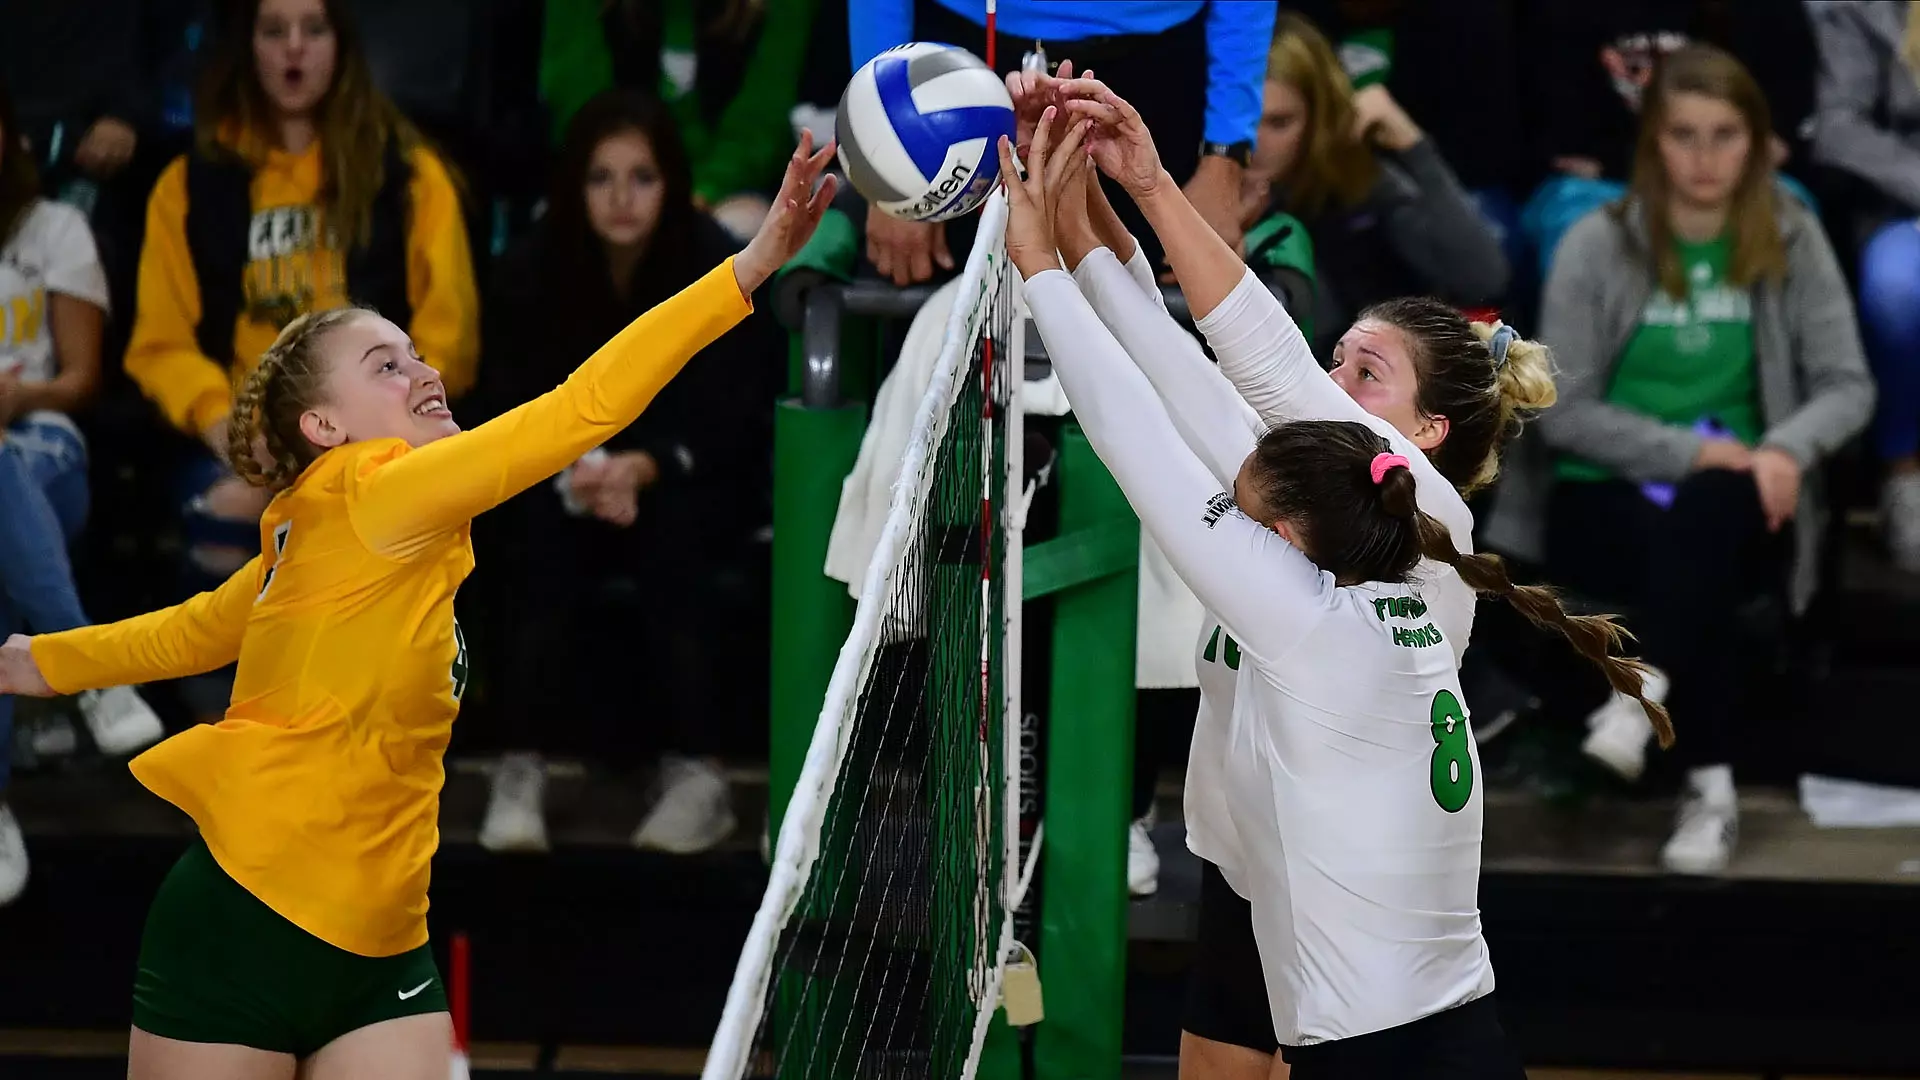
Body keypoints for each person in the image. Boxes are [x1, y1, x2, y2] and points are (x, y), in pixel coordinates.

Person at [0, 136, 835, 1080]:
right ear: (327, 429)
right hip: (245, 922)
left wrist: (40, 660)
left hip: (383, 939)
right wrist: (753, 265)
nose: (425, 372)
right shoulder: (376, 490)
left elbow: (199, 628)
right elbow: (580, 410)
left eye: (417, 352)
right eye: (385, 367)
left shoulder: (314, 539)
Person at [999, 105, 1664, 1080]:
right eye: (1334, 361)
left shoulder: (1401, 544)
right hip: (1295, 903)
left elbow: (1162, 418)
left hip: (1363, 1014)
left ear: (1426, 435)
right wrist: (1078, 217)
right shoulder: (1351, 542)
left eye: (1367, 375)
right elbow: (1185, 381)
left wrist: (1066, 253)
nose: (1325, 383)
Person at [1488, 45, 1874, 875]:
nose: (1705, 157)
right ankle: (1712, 790)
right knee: (1701, 531)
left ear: (1760, 142)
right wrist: (1699, 452)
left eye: (1726, 134)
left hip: (1736, 496)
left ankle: (1641, 694)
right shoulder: (1596, 242)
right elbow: (1563, 411)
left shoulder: (1791, 235)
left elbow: (1847, 385)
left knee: (1709, 518)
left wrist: (1780, 449)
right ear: (1652, 143)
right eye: (1684, 135)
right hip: (1604, 493)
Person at [124, 0, 479, 724]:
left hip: (376, 444)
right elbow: (160, 342)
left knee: (334, 518)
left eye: (312, 29)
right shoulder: (191, 182)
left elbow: (452, 337)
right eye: (273, 29)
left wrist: (362, 439)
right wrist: (226, 426)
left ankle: (334, 742)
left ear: (341, 44)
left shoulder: (407, 173)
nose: (293, 49)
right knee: (233, 508)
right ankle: (233, 749)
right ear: (245, 45)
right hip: (245, 437)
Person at [469, 89, 782, 854]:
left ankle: (698, 774)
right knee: (532, 537)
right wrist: (572, 469)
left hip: (683, 473)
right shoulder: (531, 268)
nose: (621, 199)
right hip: (559, 473)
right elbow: (506, 396)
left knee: (679, 533)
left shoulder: (714, 258)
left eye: (641, 177)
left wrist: (646, 466)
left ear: (670, 181)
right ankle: (521, 766)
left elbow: (739, 408)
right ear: (573, 186)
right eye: (601, 178)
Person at [0, 77, 166, 906]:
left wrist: (16, 397)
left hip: (40, 448)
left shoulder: (53, 228)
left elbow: (80, 377)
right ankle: (87, 667)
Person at [849, 0, 1277, 285]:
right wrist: (885, 161)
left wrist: (1225, 159)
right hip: (950, 67)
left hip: (1158, 74)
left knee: (1155, 319)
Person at [1239, 12, 1510, 358]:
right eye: (1243, 120)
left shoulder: (1360, 184)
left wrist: (1414, 148)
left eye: (1278, 122)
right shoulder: (1182, 196)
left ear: (1319, 119)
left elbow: (1483, 277)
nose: (1254, 143)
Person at [1809, 1, 1920, 570]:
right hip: (1902, 202)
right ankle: (1904, 471)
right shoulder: (1859, 10)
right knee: (1897, 292)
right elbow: (1838, 127)